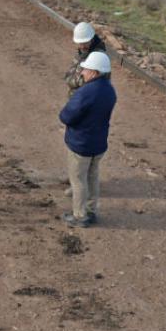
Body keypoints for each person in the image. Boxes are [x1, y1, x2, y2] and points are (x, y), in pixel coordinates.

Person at [59, 51, 116, 228]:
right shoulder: (109, 90)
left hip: (80, 144)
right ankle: (91, 211)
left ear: (95, 72)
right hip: (98, 144)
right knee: (92, 177)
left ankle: (79, 215)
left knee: (78, 180)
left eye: (86, 70)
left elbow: (66, 116)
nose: (82, 72)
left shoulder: (86, 92)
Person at [64, 22, 107, 97]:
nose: (82, 46)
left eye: (85, 43)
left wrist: (73, 80)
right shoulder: (83, 52)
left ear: (92, 39)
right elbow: (68, 76)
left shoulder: (98, 58)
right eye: (80, 43)